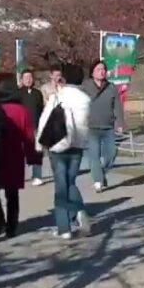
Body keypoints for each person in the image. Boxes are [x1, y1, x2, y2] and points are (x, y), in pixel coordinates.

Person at [36, 63, 91, 240]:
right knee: (71, 182)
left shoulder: (58, 95)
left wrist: (39, 144)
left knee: (61, 186)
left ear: (64, 78)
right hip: (78, 145)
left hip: (58, 146)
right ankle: (80, 212)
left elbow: (45, 119)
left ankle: (64, 228)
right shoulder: (86, 99)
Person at [0, 73, 37, 238]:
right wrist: (32, 157)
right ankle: (11, 226)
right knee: (12, 193)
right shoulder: (22, 110)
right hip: (15, 155)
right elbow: (29, 136)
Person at [81, 60, 125, 192]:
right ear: (92, 72)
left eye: (103, 69)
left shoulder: (111, 87)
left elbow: (117, 106)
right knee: (94, 155)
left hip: (108, 127)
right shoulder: (85, 86)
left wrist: (120, 123)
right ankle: (98, 181)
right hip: (91, 127)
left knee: (110, 156)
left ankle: (101, 174)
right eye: (98, 69)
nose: (102, 71)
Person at [17, 69, 46, 185]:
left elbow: (42, 110)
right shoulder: (18, 93)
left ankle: (37, 176)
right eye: (26, 77)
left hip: (36, 127)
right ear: (22, 80)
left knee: (38, 152)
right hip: (21, 129)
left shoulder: (37, 93)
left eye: (30, 77)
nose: (28, 80)